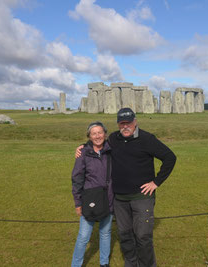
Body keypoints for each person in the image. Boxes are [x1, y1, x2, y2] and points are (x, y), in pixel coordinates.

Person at [76, 108, 177, 266]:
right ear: (118, 124)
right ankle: (130, 263)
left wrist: (156, 182)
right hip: (120, 199)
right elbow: (97, 142)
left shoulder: (147, 139)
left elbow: (170, 157)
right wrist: (83, 146)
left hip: (142, 197)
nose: (125, 126)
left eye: (128, 123)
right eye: (122, 123)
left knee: (143, 236)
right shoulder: (114, 139)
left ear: (135, 122)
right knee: (125, 234)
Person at [71, 121, 113, 267]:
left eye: (100, 132)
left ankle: (104, 263)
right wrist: (78, 202)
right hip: (89, 199)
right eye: (94, 133)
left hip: (108, 198)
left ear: (105, 134)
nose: (97, 136)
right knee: (83, 236)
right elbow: (76, 179)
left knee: (105, 233)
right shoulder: (83, 152)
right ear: (89, 136)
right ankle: (76, 264)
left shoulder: (111, 150)